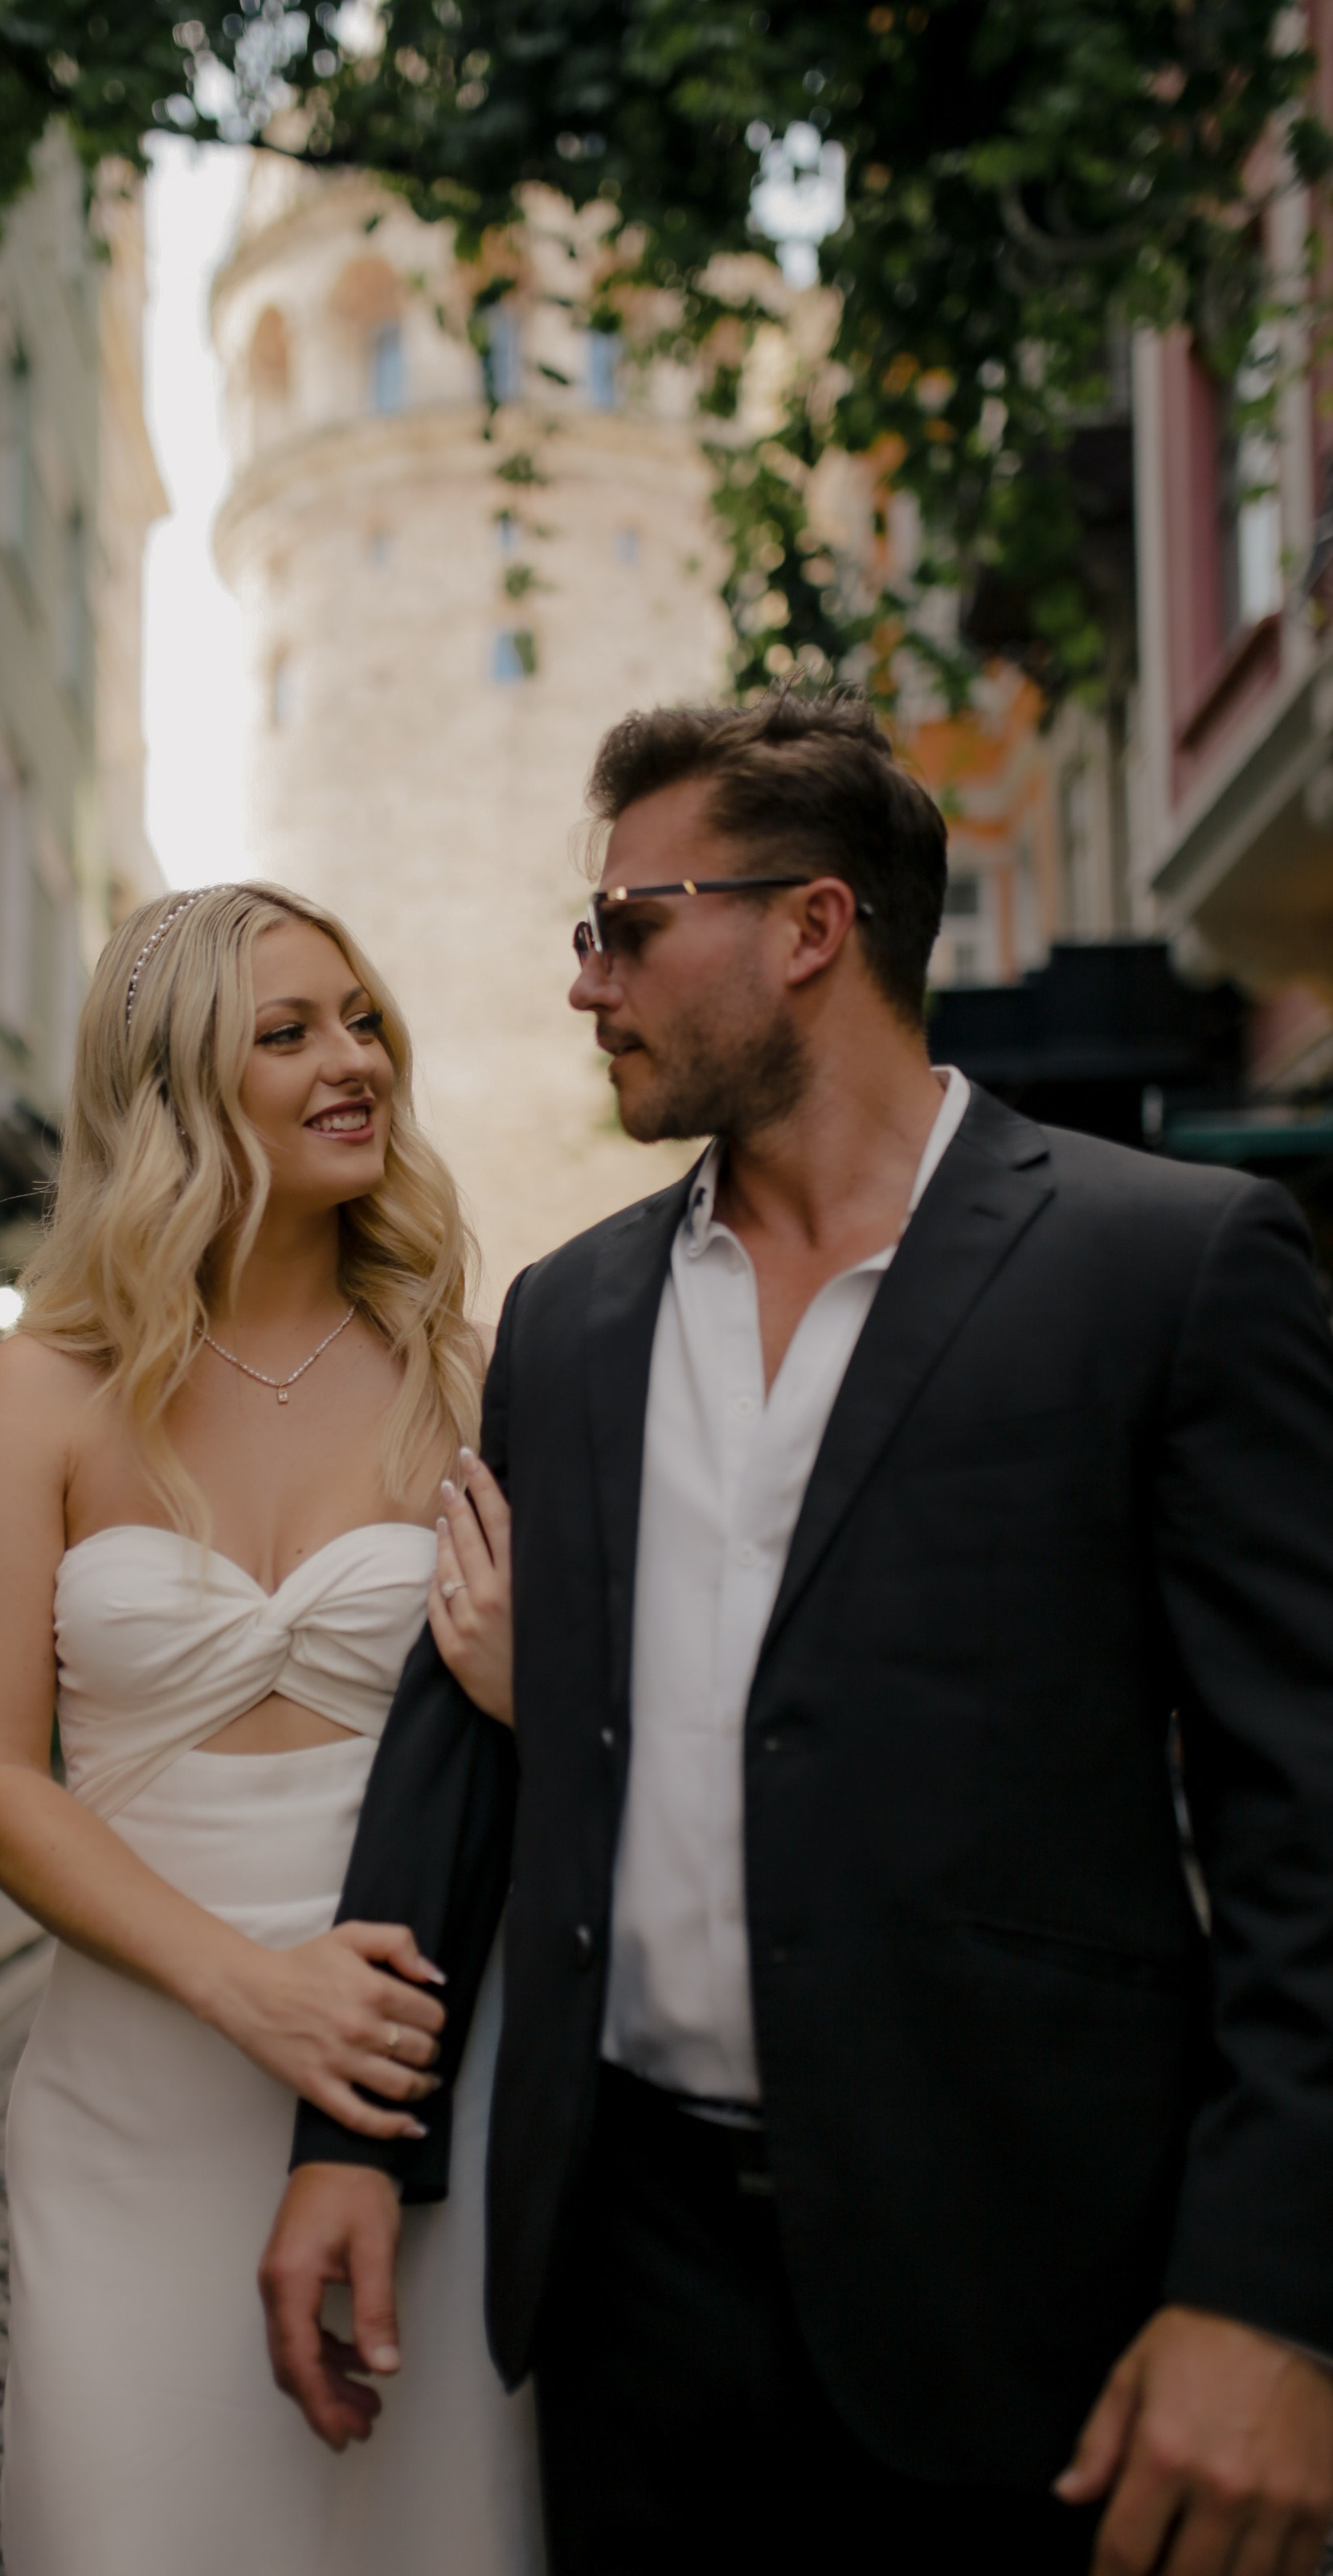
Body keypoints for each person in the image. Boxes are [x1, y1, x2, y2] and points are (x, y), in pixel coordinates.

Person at [261, 690, 1333, 2576]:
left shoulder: (1167, 1262)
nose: (585, 983)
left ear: (811, 928)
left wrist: (1267, 2293)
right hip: (626, 2282)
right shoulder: (571, 1316)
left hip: (1027, 2283)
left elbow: (1304, 1820)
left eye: (626, 926)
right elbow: (461, 1730)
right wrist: (357, 2145)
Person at [0, 883, 541, 2576]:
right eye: (287, 1032)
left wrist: (532, 1693)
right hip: (144, 2069)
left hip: (424, 2062)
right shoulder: (40, 1386)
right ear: (175, 1085)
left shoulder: (475, 1372)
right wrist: (246, 1983)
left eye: (358, 1018)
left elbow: (580, 1727)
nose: (355, 1060)